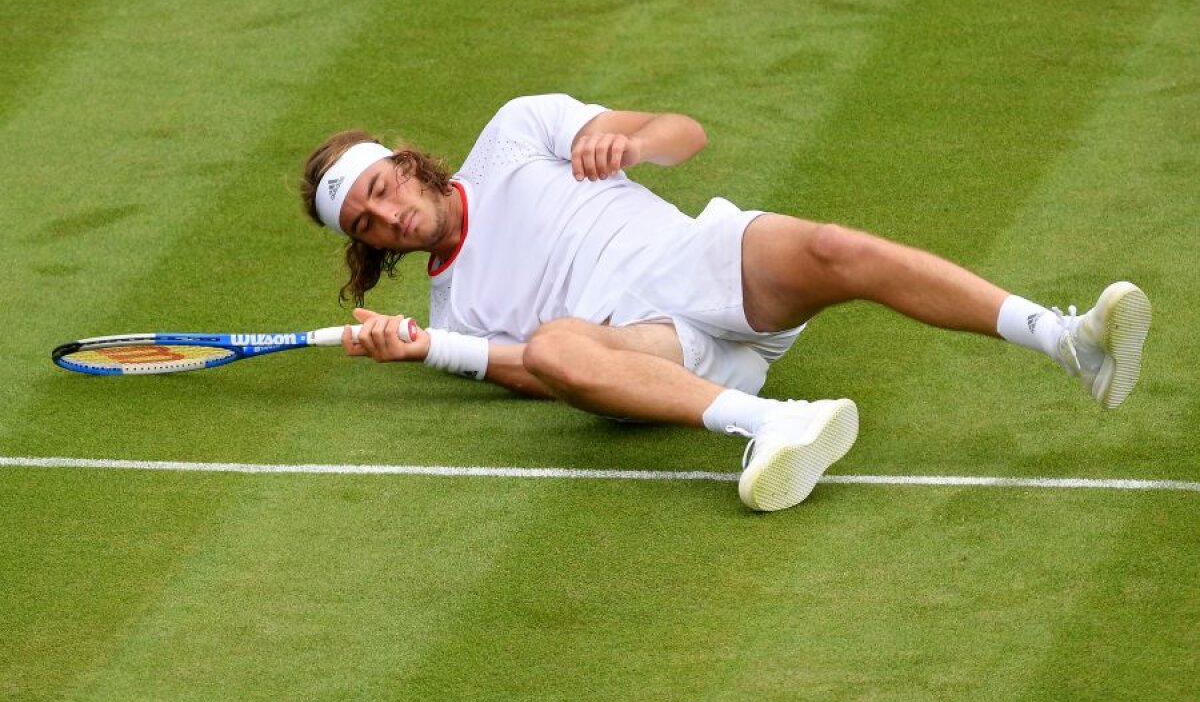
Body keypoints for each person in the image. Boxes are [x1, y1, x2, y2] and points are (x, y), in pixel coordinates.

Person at [298, 93, 1151, 512]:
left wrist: (630, 142)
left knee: (836, 248)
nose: (387, 214)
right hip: (658, 349)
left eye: (380, 188)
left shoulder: (517, 130)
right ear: (372, 248)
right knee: (558, 348)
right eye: (368, 223)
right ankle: (768, 424)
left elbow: (684, 131)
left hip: (701, 261)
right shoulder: (450, 316)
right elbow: (544, 374)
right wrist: (431, 350)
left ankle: (1070, 340)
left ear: (407, 163)